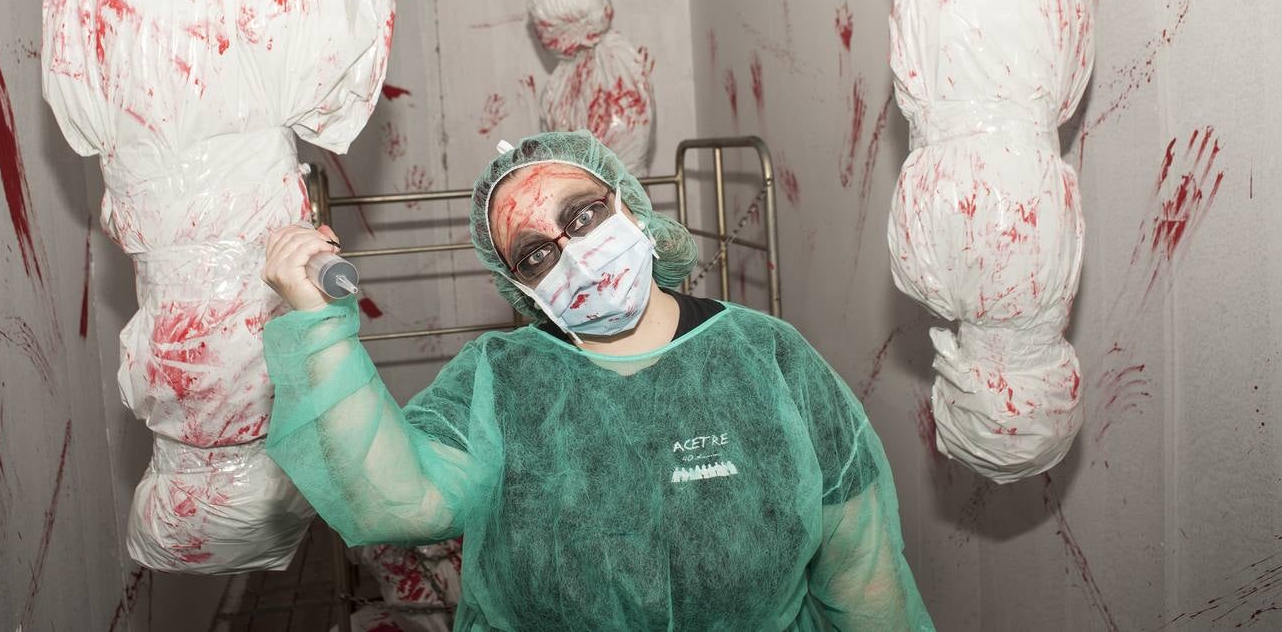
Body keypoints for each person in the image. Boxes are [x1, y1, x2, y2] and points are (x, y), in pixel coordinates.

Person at [261, 131, 933, 630]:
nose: (575, 257)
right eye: (535, 254)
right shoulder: (498, 382)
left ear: (631, 208)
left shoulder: (769, 358)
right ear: (521, 290)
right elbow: (397, 500)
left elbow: (864, 571)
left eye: (582, 216)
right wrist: (319, 328)